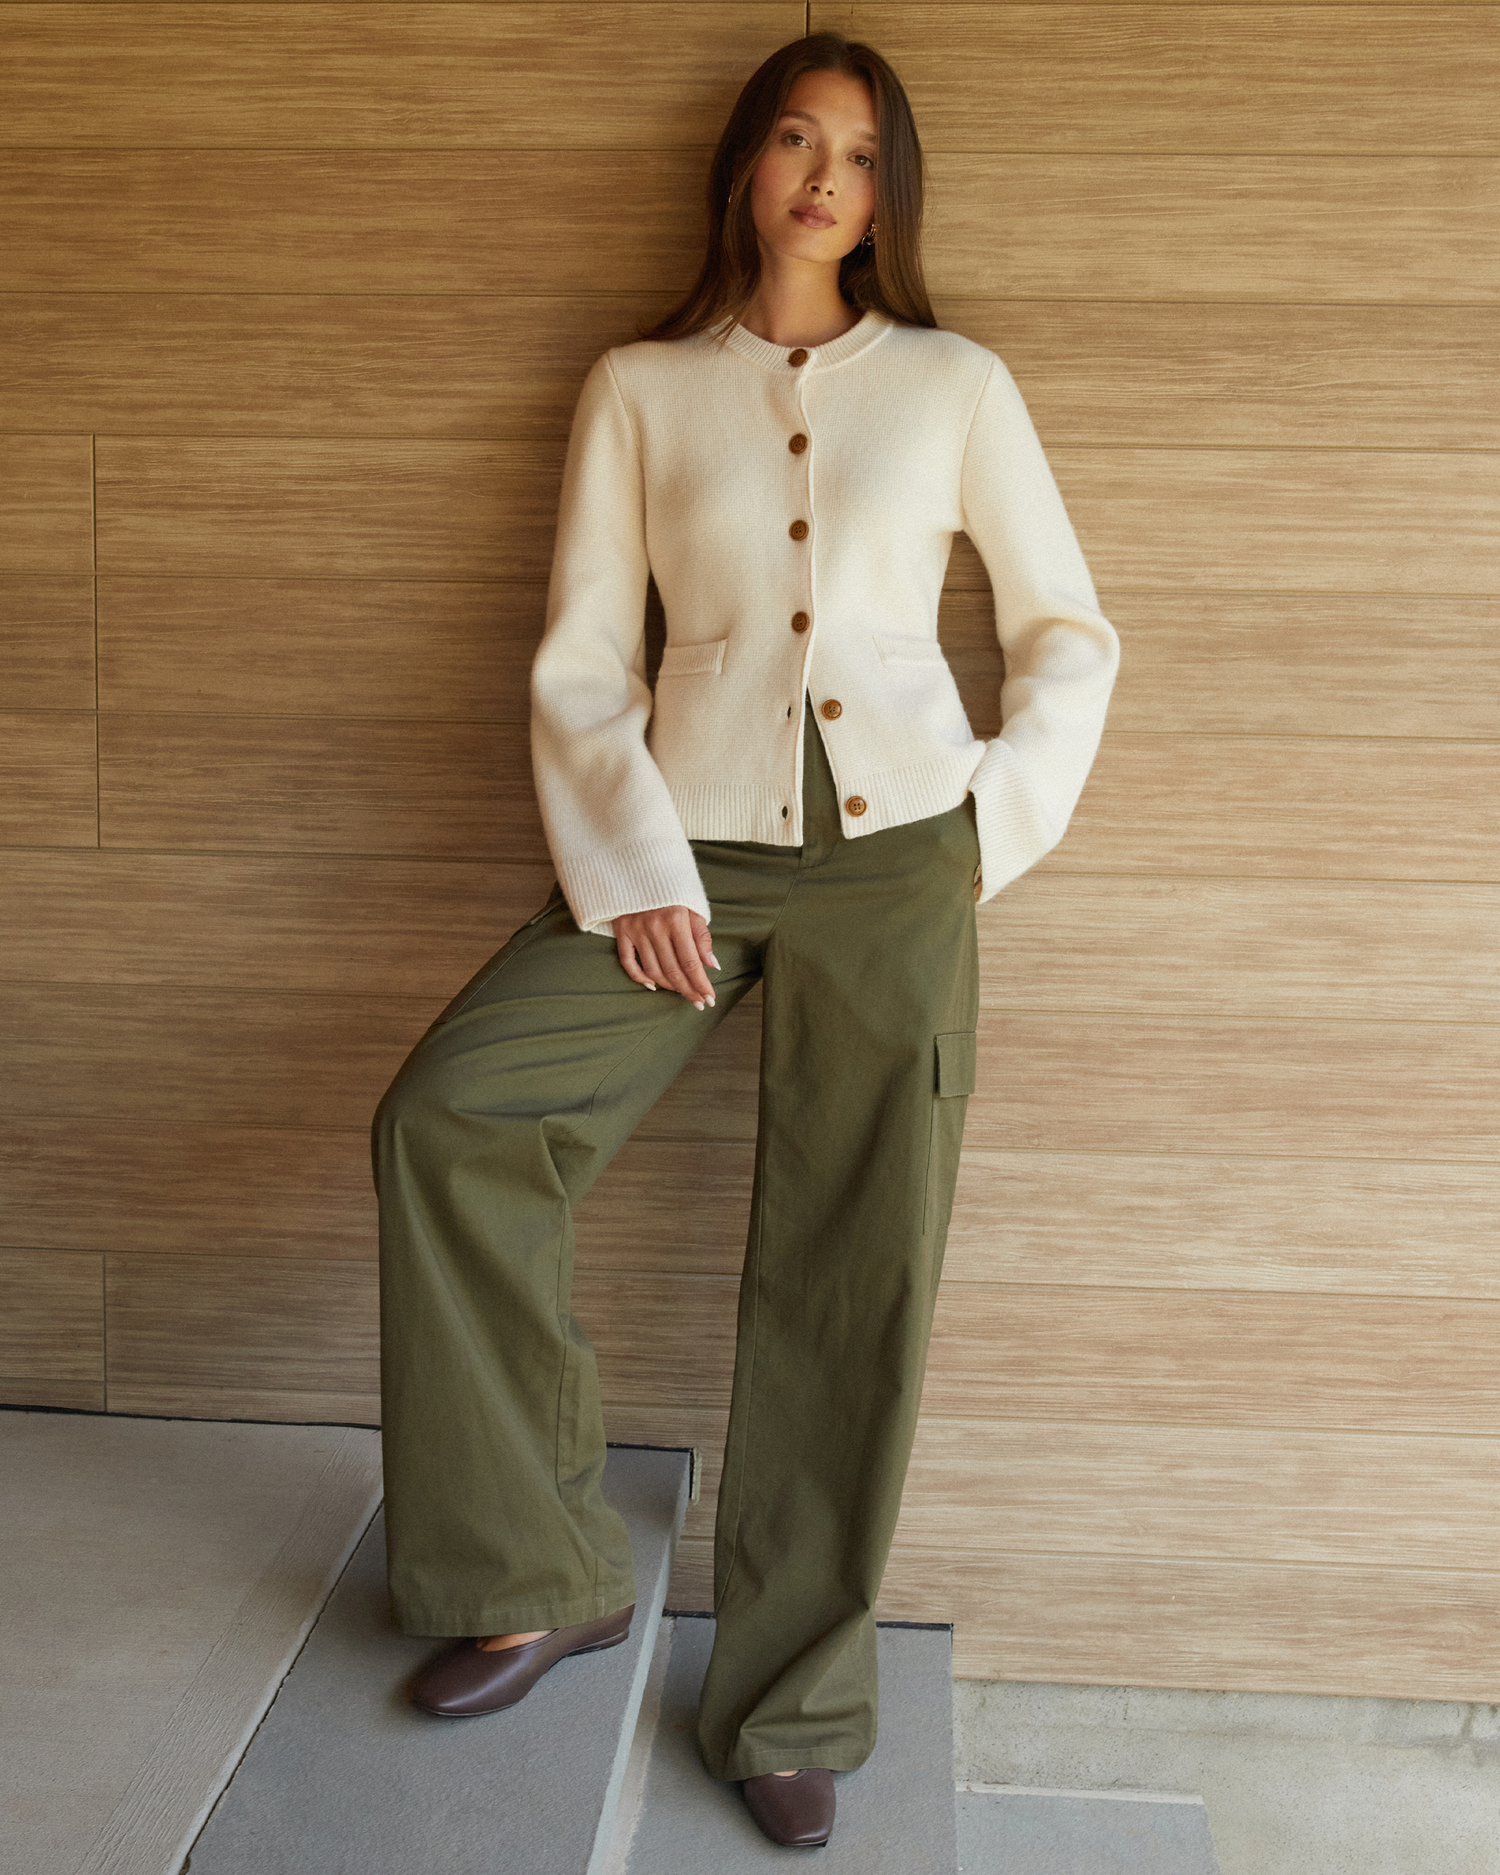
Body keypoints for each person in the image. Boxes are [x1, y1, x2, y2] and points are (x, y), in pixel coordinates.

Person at [370, 30, 1118, 1851]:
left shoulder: (953, 383)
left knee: (855, 1263)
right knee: (456, 1120)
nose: (822, 177)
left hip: (899, 856)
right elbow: (580, 657)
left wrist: (985, 833)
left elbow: (1067, 634)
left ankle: (792, 1695)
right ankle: (535, 1568)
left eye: (856, 154)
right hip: (683, 844)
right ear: (744, 165)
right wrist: (632, 865)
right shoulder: (639, 388)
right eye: (795, 137)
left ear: (884, 194)